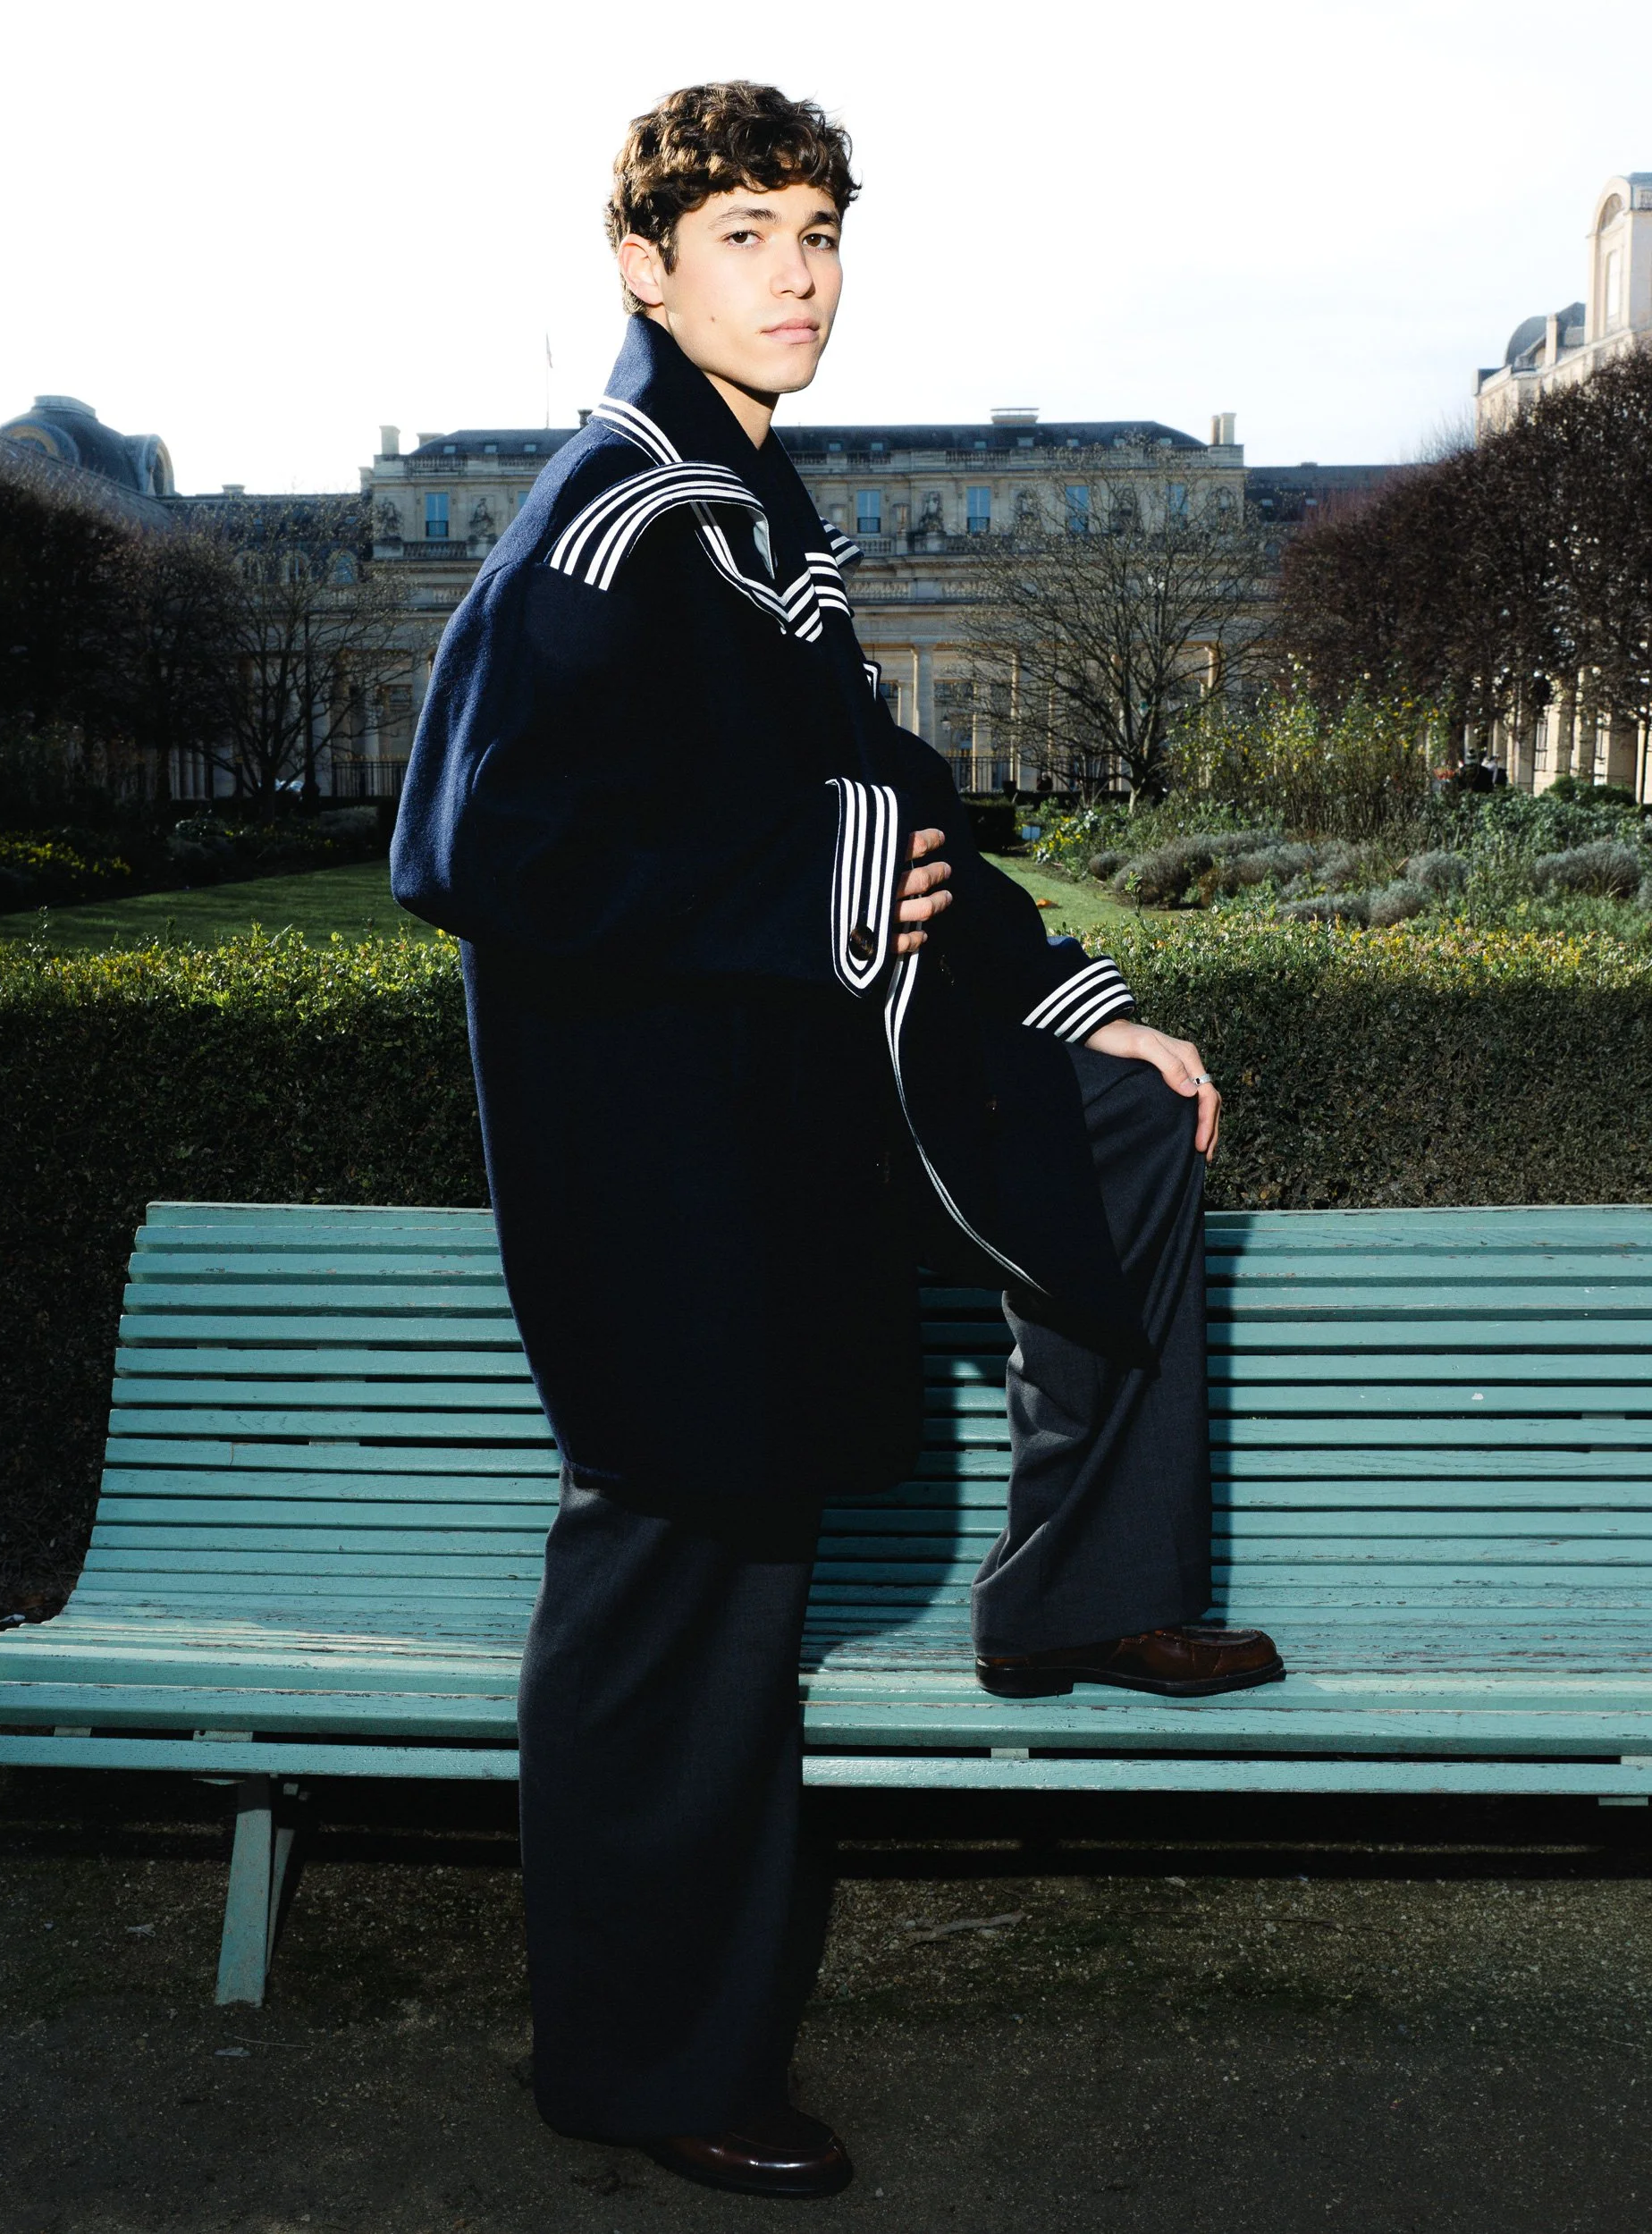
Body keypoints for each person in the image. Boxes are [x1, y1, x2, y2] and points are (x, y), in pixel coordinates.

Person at [391, 80, 1279, 2202]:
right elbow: (470, 836)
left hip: (794, 1096)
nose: (796, 276)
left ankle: (1079, 1591)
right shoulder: (610, 517)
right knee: (686, 1574)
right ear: (643, 265)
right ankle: (636, 2060)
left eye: (815, 232)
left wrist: (1084, 1009)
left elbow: (896, 802)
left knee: (1125, 1129)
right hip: (664, 1159)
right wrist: (794, 885)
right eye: (743, 237)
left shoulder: (761, 511)